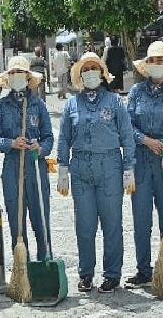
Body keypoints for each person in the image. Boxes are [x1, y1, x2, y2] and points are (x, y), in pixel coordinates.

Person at [56, 52, 135, 293]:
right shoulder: (71, 104)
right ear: (80, 75)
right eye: (85, 68)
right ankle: (86, 273)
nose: (90, 72)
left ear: (102, 73)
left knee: (112, 224)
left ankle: (112, 274)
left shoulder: (114, 102)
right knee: (85, 225)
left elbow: (127, 136)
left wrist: (129, 168)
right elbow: (64, 138)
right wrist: (62, 168)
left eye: (94, 68)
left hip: (109, 166)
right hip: (81, 167)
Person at [125, 41, 163, 287]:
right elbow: (126, 127)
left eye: (161, 61)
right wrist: (145, 140)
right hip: (141, 161)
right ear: (147, 65)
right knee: (141, 219)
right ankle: (143, 269)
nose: (157, 65)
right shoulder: (136, 92)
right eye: (153, 61)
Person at [0, 56, 54, 260]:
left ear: (28, 77)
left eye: (20, 73)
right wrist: (10, 143)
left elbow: (48, 137)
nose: (16, 76)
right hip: (12, 167)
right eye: (12, 73)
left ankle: (45, 262)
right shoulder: (2, 106)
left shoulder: (38, 104)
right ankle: (22, 267)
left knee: (41, 219)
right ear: (8, 78)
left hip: (35, 166)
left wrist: (41, 147)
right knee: (16, 221)